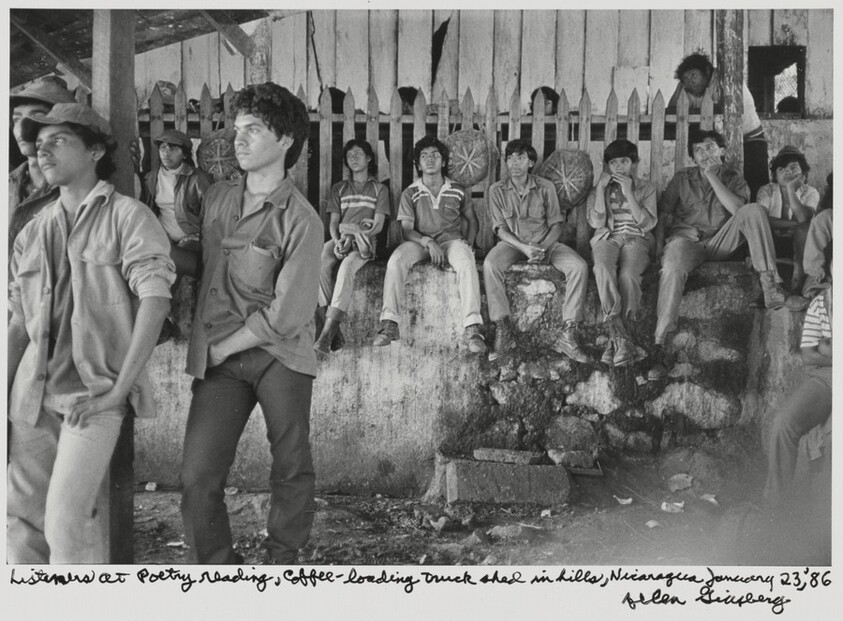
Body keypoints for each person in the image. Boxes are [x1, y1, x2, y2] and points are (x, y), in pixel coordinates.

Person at [7, 103, 175, 563]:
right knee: (19, 528)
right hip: (31, 399)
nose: (43, 152)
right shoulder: (32, 231)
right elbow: (18, 321)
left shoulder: (128, 217)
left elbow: (156, 301)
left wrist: (118, 391)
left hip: (93, 398)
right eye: (38, 144)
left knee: (66, 523)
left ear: (96, 150)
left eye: (57, 140)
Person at [180, 82, 322, 565]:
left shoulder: (301, 219)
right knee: (198, 477)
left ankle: (282, 565)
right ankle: (217, 577)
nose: (238, 140)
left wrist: (224, 347)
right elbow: (200, 261)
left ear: (285, 141)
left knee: (290, 463)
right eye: (237, 129)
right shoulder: (217, 198)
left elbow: (288, 314)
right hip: (220, 357)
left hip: (279, 355)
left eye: (253, 130)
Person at [650, 129, 785, 381]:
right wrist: (659, 246)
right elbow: (665, 215)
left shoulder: (734, 179)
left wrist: (712, 177)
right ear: (692, 156)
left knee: (753, 210)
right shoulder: (681, 179)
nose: (704, 154)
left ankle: (768, 281)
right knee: (672, 264)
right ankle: (661, 342)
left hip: (722, 242)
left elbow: (738, 210)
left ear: (722, 151)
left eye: (710, 148)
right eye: (698, 150)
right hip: (687, 242)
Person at [373, 135, 486, 354]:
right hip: (420, 242)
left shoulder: (458, 189)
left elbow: (472, 220)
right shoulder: (411, 192)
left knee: (466, 260)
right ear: (418, 163)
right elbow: (406, 230)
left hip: (451, 241)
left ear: (443, 161)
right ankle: (389, 324)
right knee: (396, 260)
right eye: (424, 156)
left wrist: (469, 244)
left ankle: (472, 328)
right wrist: (429, 242)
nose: (430, 160)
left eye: (435, 155)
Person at [484, 139, 590, 363]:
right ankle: (503, 332)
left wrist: (541, 248)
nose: (514, 163)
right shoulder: (496, 190)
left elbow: (556, 225)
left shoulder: (545, 187)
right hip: (513, 245)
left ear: (531, 163)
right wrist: (524, 248)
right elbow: (500, 229)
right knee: (490, 265)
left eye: (520, 158)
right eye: (510, 158)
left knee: (578, 266)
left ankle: (568, 334)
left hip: (545, 244)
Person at [764, 243, 832, 512]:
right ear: (829, 270)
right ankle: (774, 509)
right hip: (826, 379)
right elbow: (808, 355)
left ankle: (825, 521)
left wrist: (827, 347)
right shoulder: (820, 303)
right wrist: (826, 350)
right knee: (783, 424)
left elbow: (820, 350)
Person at [586, 139, 657, 367]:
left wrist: (628, 192)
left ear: (634, 163)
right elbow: (596, 221)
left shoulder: (647, 188)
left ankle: (615, 340)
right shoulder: (601, 188)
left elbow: (646, 223)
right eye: (613, 162)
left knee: (628, 276)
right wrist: (599, 190)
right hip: (608, 237)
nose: (618, 167)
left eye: (624, 161)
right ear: (607, 165)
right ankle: (622, 338)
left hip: (637, 239)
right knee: (602, 268)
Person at [315, 139, 389, 355]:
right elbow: (333, 222)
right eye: (349, 156)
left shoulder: (379, 189)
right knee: (320, 262)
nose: (353, 158)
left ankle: (327, 333)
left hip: (364, 240)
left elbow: (378, 225)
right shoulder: (339, 188)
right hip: (342, 237)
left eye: (358, 154)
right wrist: (337, 240)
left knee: (347, 268)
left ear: (369, 158)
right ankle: (334, 332)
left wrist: (360, 232)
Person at [140, 129, 213, 341]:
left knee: (171, 261)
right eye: (162, 147)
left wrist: (200, 237)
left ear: (184, 152)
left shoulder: (198, 178)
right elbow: (149, 208)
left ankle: (159, 321)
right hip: (163, 237)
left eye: (173, 147)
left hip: (192, 238)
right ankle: (157, 321)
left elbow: (212, 214)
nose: (166, 152)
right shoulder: (151, 178)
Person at [669, 52, 768, 200]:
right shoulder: (693, 89)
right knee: (726, 185)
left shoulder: (726, 79)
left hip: (750, 138)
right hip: (724, 142)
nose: (690, 82)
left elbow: (725, 112)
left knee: (755, 186)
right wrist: (680, 87)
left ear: (707, 71)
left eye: (693, 75)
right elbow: (672, 109)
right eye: (685, 79)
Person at [9, 76, 77, 250]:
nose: (22, 128)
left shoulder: (79, 189)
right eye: (16, 119)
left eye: (37, 117)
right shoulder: (8, 183)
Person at [756, 145, 820, 293]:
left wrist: (791, 189)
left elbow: (804, 218)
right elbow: (761, 220)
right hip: (771, 242)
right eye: (781, 169)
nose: (787, 172)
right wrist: (794, 224)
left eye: (793, 168)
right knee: (801, 226)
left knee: (804, 229)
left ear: (803, 172)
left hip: (799, 245)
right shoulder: (767, 190)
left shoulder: (810, 192)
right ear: (775, 175)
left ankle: (798, 280)